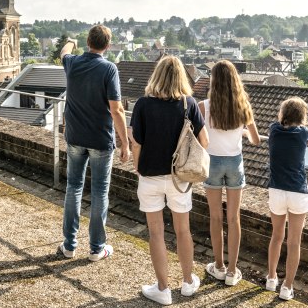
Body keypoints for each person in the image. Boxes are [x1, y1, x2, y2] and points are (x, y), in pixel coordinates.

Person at [130, 56, 209, 305]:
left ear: (157, 75)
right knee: (183, 230)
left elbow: (136, 142)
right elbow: (204, 142)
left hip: (150, 175)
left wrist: (138, 166)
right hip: (180, 177)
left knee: (156, 233)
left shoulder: (143, 104)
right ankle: (187, 282)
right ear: (181, 77)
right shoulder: (189, 104)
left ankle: (162, 289)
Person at [59, 25, 130, 261]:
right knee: (100, 191)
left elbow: (63, 52)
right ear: (107, 46)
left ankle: (69, 245)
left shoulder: (72, 63)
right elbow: (117, 110)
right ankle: (97, 248)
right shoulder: (109, 69)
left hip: (75, 137)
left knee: (73, 187)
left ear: (88, 41)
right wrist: (125, 143)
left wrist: (70, 40)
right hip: (100, 139)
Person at [198, 60, 260, 287]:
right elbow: (255, 139)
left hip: (211, 162)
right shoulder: (244, 106)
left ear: (213, 80)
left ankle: (219, 266)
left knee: (215, 217)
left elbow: (198, 138)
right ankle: (233, 271)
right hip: (235, 163)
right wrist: (241, 131)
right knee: (234, 219)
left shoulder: (203, 106)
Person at [265, 96, 308, 301]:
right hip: (297, 190)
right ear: (302, 116)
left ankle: (271, 278)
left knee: (276, 236)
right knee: (294, 242)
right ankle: (287, 287)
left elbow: (277, 125)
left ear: (283, 114)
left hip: (276, 190)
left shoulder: (274, 130)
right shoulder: (304, 133)